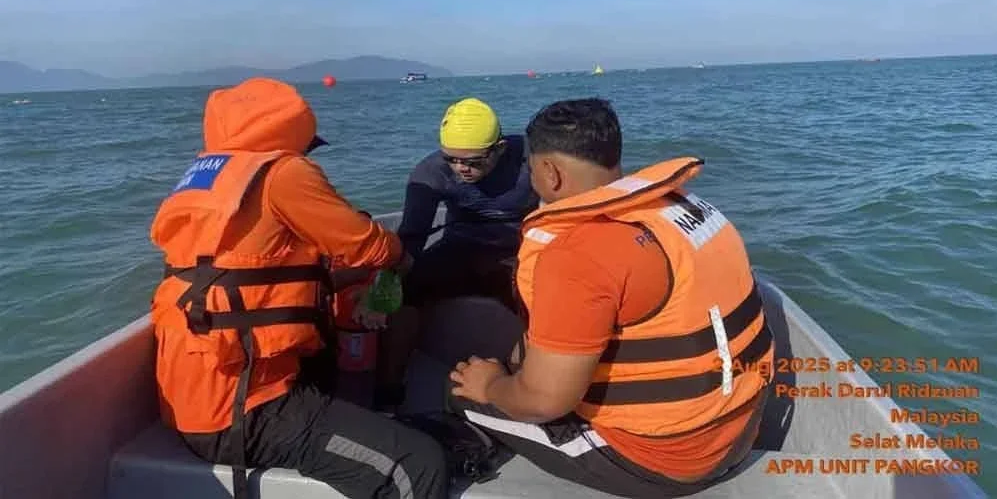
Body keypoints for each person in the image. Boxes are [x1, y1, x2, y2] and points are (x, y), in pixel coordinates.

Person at [448, 98, 776, 498]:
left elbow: (542, 402)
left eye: (531, 169)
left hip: (663, 462)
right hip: (742, 429)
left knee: (461, 390)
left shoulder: (575, 253)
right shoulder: (686, 207)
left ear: (549, 173)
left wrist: (491, 385)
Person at [148, 77, 448, 499]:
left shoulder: (207, 177)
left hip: (200, 395)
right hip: (243, 410)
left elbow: (252, 275)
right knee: (417, 463)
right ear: (289, 138)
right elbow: (364, 243)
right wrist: (400, 258)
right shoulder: (283, 173)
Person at [396, 97, 539, 309]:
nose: (461, 168)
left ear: (500, 148)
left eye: (473, 162)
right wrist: (386, 285)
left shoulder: (533, 158)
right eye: (451, 159)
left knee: (544, 291)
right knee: (404, 288)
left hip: (520, 249)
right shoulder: (432, 172)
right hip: (460, 246)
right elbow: (412, 237)